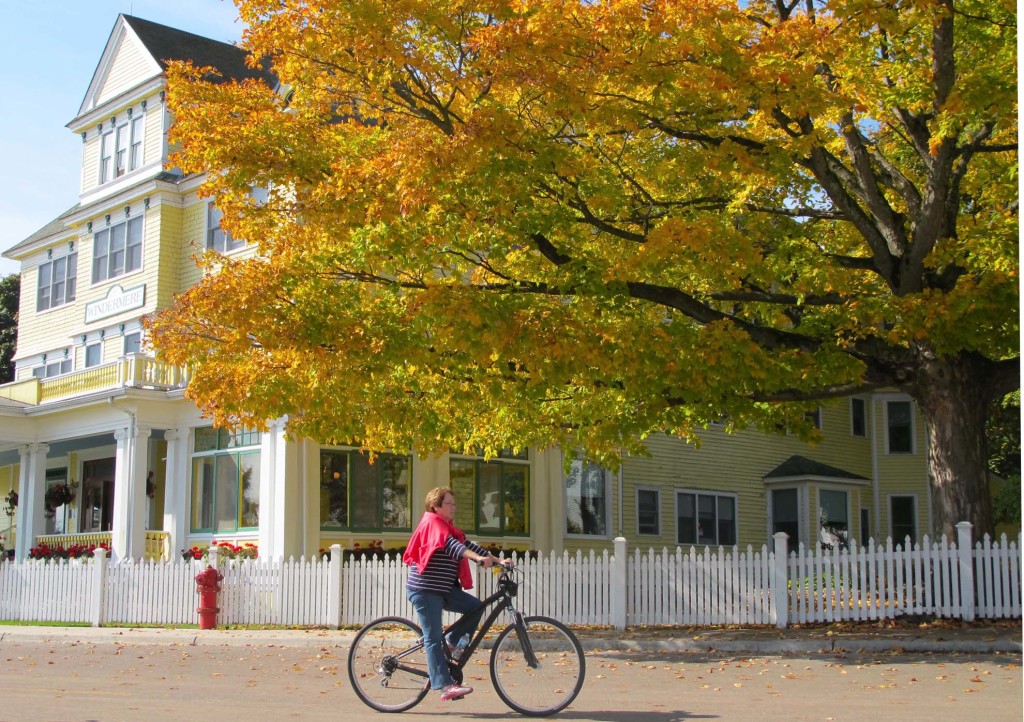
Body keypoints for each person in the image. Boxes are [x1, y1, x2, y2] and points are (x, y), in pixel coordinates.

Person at [403, 486, 510, 701]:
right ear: (436, 506)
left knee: (476, 607)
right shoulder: (432, 523)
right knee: (433, 638)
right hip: (425, 590)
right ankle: (444, 686)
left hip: (442, 589)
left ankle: (450, 644)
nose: (454, 507)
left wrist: (499, 561)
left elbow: (466, 544)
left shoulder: (447, 527)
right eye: (449, 503)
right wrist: (477, 560)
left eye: (454, 503)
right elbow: (453, 546)